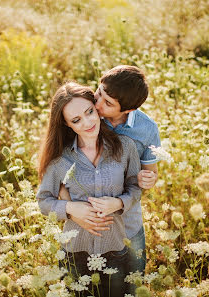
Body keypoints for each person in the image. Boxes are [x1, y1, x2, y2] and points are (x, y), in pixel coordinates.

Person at [60, 66, 161, 294]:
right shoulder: (86, 114)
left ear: (129, 109)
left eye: (107, 103)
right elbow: (57, 170)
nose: (97, 105)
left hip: (127, 224)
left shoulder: (147, 129)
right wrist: (74, 211)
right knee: (81, 287)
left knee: (130, 287)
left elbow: (150, 173)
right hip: (85, 226)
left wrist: (149, 179)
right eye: (99, 93)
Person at [37, 82, 142, 297]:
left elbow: (136, 187)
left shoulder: (125, 147)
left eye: (90, 112)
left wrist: (119, 203)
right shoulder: (59, 160)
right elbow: (43, 202)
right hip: (75, 254)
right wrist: (72, 209)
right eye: (76, 120)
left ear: (96, 107)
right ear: (67, 125)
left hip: (117, 250)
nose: (88, 122)